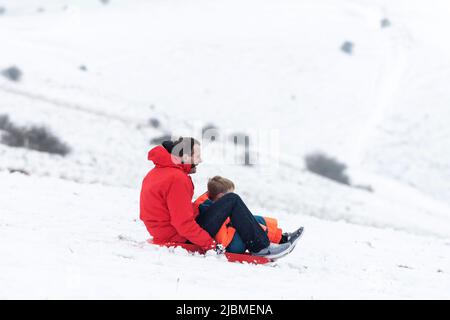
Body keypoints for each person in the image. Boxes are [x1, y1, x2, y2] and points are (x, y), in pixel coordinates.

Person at [140, 137, 297, 259]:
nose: (200, 160)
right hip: (179, 236)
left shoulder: (158, 172)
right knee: (231, 200)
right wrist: (210, 245)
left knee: (223, 206)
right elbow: (182, 223)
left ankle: (280, 238)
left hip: (166, 232)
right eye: (198, 156)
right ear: (186, 156)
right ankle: (261, 248)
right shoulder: (176, 178)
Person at [193, 176, 303, 254]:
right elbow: (222, 239)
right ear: (221, 197)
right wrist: (236, 227)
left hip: (229, 238)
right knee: (247, 224)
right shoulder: (207, 208)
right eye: (229, 195)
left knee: (252, 219)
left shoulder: (212, 205)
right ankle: (262, 246)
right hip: (231, 245)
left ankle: (282, 239)